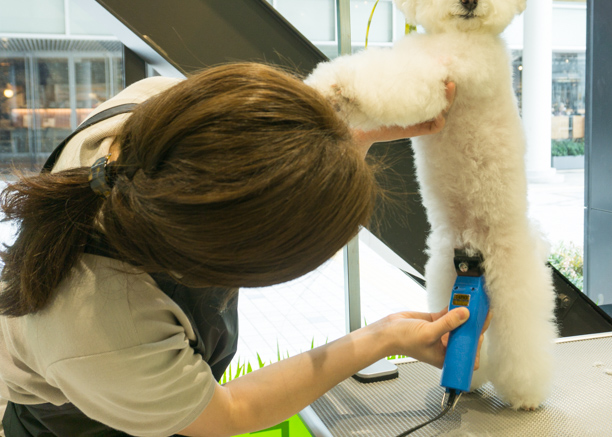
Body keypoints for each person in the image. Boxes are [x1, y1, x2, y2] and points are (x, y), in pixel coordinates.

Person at [0, 63, 479, 437]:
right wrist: (382, 337)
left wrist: (352, 139)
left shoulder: (160, 111)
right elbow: (232, 410)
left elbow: (253, 143)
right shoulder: (106, 334)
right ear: (219, 265)